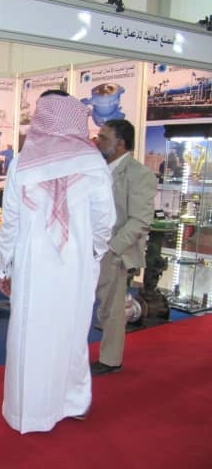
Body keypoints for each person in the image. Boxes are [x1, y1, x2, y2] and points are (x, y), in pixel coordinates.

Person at [0, 90, 116, 434]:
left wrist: (4, 266)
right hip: (75, 263)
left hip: (32, 262)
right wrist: (94, 252)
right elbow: (105, 219)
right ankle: (72, 404)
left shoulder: (22, 163)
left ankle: (27, 412)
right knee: (72, 332)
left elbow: (10, 222)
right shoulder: (93, 161)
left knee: (29, 335)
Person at [91, 119, 157, 376]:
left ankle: (110, 359)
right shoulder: (98, 169)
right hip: (89, 248)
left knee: (112, 307)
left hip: (113, 251)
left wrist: (113, 248)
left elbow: (140, 220)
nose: (97, 141)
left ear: (120, 143)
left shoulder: (139, 174)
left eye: (103, 137)